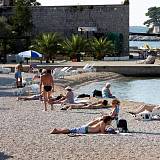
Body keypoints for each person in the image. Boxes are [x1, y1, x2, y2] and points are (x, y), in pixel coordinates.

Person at [50, 115, 115, 134]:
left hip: (86, 129)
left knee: (72, 130)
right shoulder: (103, 123)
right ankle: (57, 131)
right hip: (85, 129)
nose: (111, 122)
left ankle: (58, 130)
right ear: (108, 120)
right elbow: (102, 132)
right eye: (110, 120)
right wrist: (109, 131)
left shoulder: (103, 123)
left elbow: (101, 130)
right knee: (70, 130)